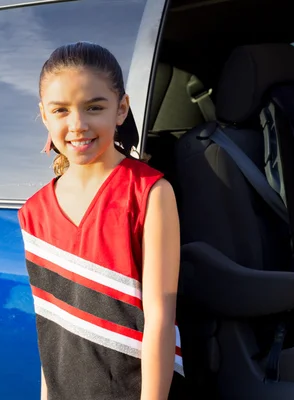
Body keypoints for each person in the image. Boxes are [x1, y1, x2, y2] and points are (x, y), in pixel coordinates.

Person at [17, 42, 185, 400]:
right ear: (44, 116)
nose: (77, 125)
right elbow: (52, 328)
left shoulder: (149, 193)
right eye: (60, 110)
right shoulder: (33, 212)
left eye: (94, 107)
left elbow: (160, 319)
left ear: (121, 109)